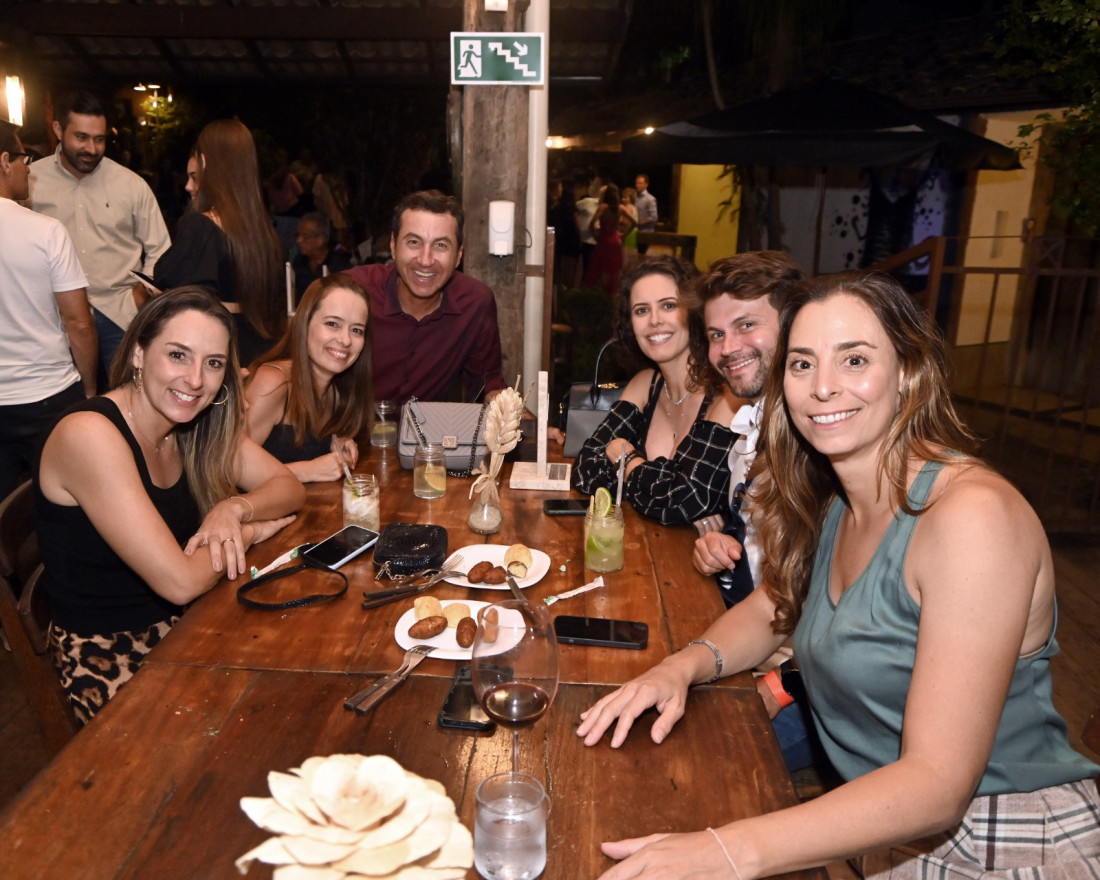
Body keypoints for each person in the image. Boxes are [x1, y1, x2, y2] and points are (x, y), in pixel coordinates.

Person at [577, 272, 1100, 880]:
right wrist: (680, 667)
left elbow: (938, 785)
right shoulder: (836, 503)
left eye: (854, 359)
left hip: (1006, 838)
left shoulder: (971, 518)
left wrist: (727, 850)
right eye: (802, 364)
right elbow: (775, 607)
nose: (823, 387)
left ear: (908, 372)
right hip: (880, 835)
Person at [35, 287, 305, 724]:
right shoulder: (90, 435)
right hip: (113, 658)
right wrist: (250, 532)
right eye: (178, 355)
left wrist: (234, 510)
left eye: (213, 363)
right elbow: (180, 583)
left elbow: (288, 487)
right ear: (138, 353)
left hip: (193, 626)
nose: (195, 380)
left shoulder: (194, 422)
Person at [573, 256, 736, 528]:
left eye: (668, 306)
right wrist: (665, 493)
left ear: (695, 311)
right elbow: (585, 471)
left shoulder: (725, 395)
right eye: (641, 310)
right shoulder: (645, 384)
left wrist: (628, 461)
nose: (654, 321)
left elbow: (686, 499)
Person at [28, 90, 170, 379]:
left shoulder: (131, 185)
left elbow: (162, 249)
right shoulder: (30, 181)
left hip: (120, 316)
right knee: (68, 401)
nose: (91, 148)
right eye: (81, 137)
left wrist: (140, 297)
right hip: (53, 320)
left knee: (128, 398)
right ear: (58, 130)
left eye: (99, 139)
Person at [0, 121, 97, 499]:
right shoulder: (45, 231)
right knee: (64, 505)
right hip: (48, 393)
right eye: (24, 159)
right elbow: (79, 323)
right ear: (5, 161)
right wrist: (89, 389)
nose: (28, 169)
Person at [344, 189, 505, 407]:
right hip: (346, 426)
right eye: (414, 242)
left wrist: (521, 418)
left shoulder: (475, 302)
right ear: (393, 246)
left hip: (427, 429)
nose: (426, 260)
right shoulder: (352, 291)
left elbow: (487, 383)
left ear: (458, 255)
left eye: (440, 245)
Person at [153, 120, 285, 366]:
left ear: (206, 165)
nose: (188, 186)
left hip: (215, 355)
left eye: (194, 177)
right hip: (261, 352)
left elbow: (187, 301)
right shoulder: (264, 232)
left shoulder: (201, 226)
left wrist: (161, 294)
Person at [245, 273, 372, 482]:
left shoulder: (335, 393)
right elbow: (225, 470)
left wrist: (336, 442)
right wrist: (309, 470)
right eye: (332, 324)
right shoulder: (274, 382)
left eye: (356, 330)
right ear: (304, 323)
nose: (346, 340)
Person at [584, 184, 635, 295]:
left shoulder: (603, 207)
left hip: (604, 240)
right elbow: (634, 222)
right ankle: (611, 295)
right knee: (613, 271)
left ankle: (596, 295)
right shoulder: (620, 208)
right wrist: (623, 234)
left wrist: (595, 236)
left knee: (598, 268)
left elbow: (592, 224)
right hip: (616, 240)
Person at [292, 211, 352, 303]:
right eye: (298, 235)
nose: (299, 240)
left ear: (320, 239)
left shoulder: (339, 265)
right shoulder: (299, 261)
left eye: (305, 236)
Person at [633, 173, 658, 255]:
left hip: (645, 232)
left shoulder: (650, 199)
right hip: (635, 231)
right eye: (637, 183)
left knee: (641, 254)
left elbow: (654, 217)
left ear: (646, 185)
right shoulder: (635, 197)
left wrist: (640, 223)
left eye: (640, 183)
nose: (638, 185)